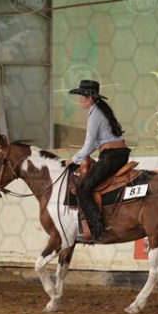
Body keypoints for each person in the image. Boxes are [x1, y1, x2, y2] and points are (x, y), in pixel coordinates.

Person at [66, 80, 130, 240]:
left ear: (90, 97)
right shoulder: (99, 110)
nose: (79, 98)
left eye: (82, 95)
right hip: (117, 154)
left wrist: (73, 159)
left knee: (82, 188)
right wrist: (80, 156)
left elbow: (89, 144)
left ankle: (97, 229)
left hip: (112, 156)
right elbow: (95, 144)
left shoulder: (95, 114)